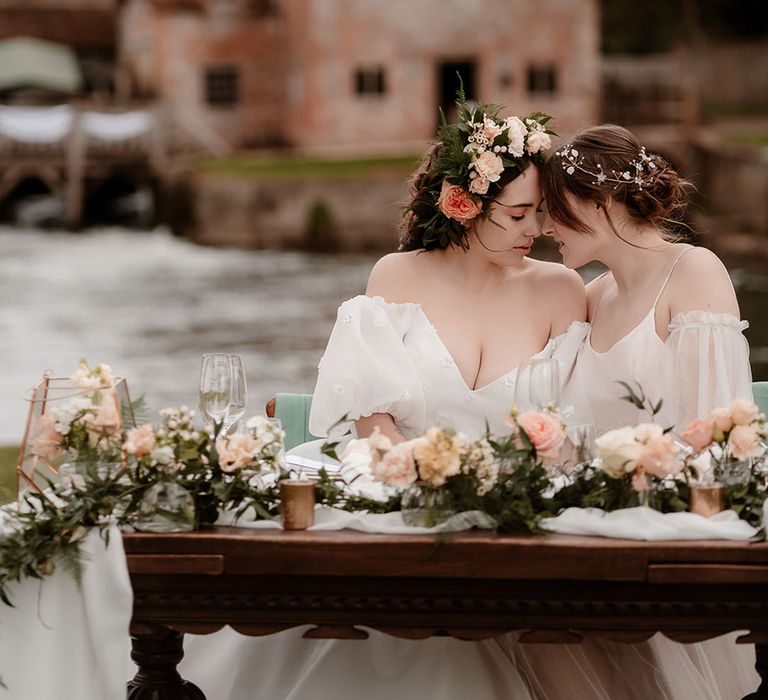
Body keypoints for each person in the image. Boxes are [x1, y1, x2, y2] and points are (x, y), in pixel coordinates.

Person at [179, 97, 588, 700]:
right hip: (400, 497)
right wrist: (419, 481)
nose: (537, 230)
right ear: (465, 203)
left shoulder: (561, 289)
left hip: (521, 518)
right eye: (521, 214)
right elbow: (373, 423)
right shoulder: (396, 277)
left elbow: (574, 420)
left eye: (542, 214)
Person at [537, 123, 758, 700]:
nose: (543, 227)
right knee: (533, 629)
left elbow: (719, 434)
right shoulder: (591, 297)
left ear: (601, 203)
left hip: (675, 529)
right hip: (592, 529)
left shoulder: (694, 272)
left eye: (555, 210)